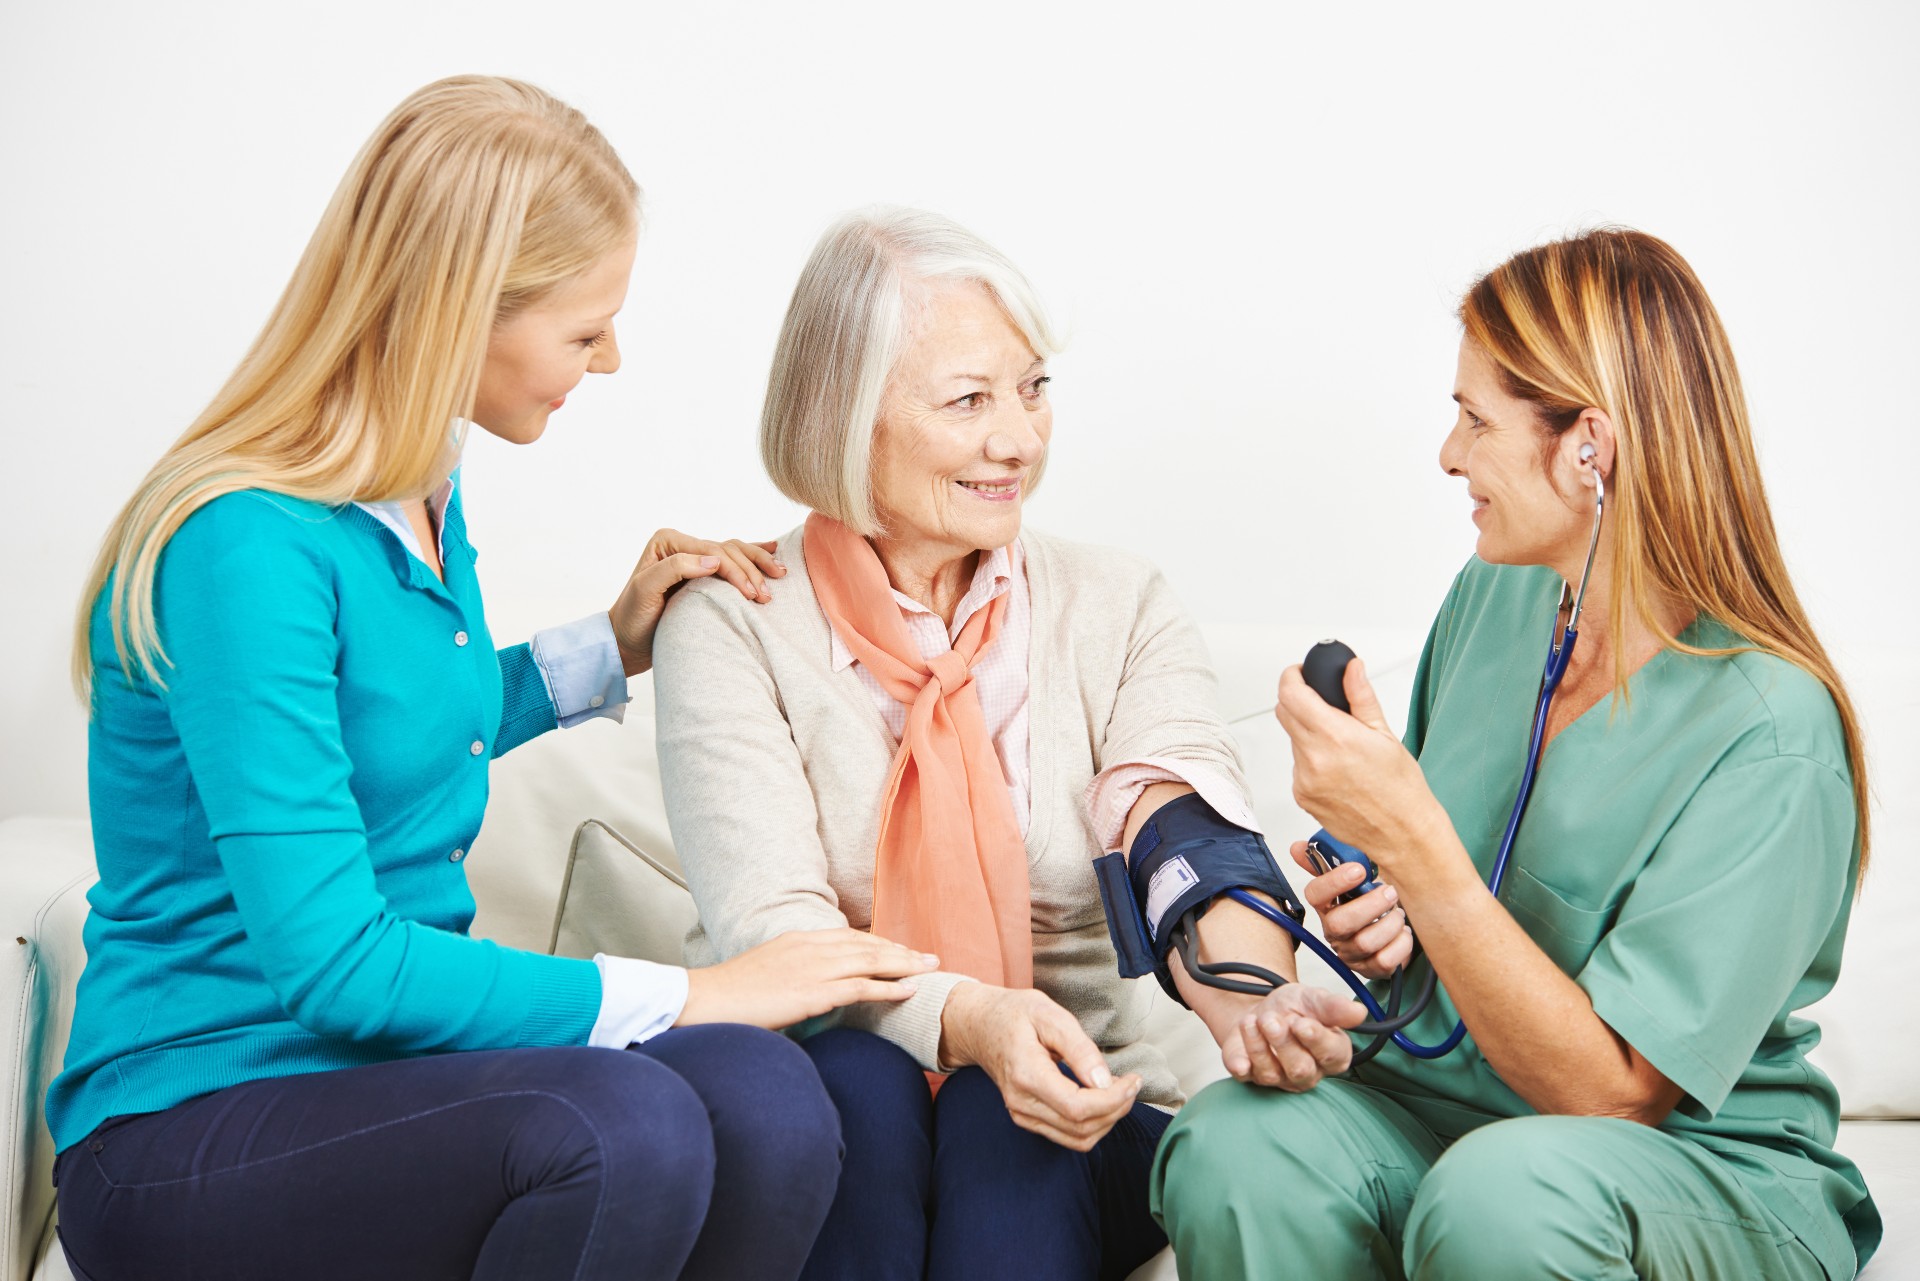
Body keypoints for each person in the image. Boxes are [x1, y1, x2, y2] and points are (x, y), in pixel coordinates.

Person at [49, 76, 940, 1281]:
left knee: (769, 1101)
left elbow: (400, 733)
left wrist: (607, 646)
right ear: (463, 312)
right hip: (195, 1125)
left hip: (392, 1087)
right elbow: (337, 966)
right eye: (584, 329)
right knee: (621, 1126)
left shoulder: (420, 489)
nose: (612, 358)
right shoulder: (242, 545)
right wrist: (694, 989)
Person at [1149, 229, 1881, 1279]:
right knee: (1236, 1143)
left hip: (1691, 1171)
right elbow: (1455, 902)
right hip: (1450, 1115)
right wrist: (1383, 914)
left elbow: (1616, 1095)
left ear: (1591, 443)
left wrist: (1421, 848)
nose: (1450, 454)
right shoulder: (1498, 595)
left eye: (1476, 420)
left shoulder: (1773, 732)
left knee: (1503, 1197)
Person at [650, 206, 1278, 1281]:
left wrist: (1255, 986)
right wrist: (971, 1019)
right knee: (854, 1074)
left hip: (1089, 1108)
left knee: (1003, 1109)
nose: (1020, 441)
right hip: (842, 1106)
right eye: (970, 401)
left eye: (1033, 389)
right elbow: (780, 938)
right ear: (846, 419)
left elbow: (1180, 828)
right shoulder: (732, 619)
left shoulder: (1117, 605)